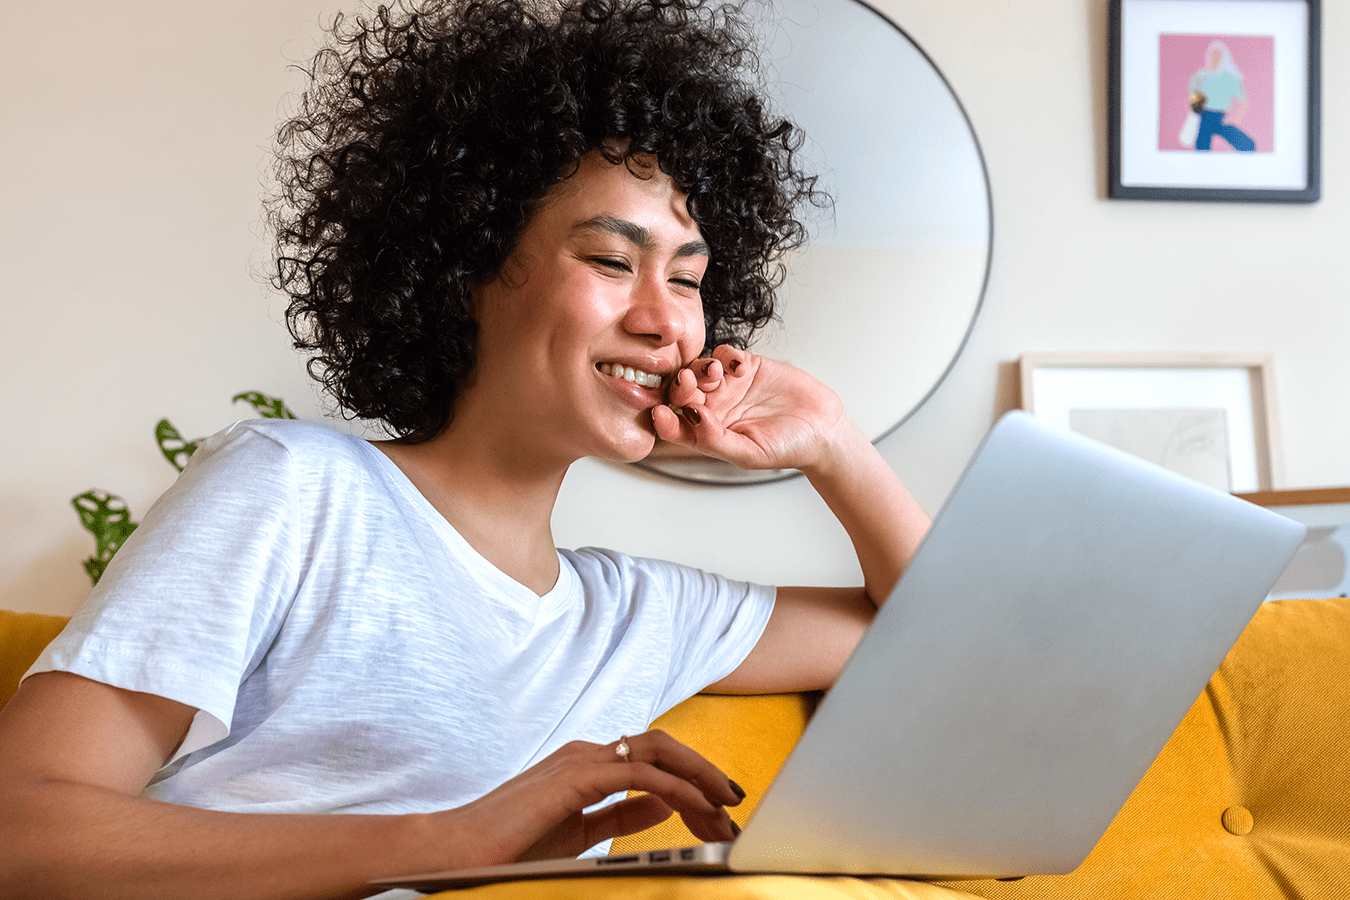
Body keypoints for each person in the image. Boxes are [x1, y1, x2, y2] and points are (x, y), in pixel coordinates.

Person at [0, 0, 930, 897]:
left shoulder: (640, 617)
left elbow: (935, 640)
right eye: (612, 261)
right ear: (465, 270)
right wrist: (452, 842)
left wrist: (833, 444)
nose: (662, 321)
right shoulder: (295, 491)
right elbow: (23, 831)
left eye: (687, 280)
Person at [1187, 40, 1255, 152]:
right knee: (1201, 148)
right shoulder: (1201, 76)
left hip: (1220, 117)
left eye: (1218, 55)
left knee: (1247, 146)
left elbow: (1243, 102)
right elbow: (1194, 96)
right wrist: (1195, 110)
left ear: (1224, 57)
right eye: (1213, 54)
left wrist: (1235, 118)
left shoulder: (1229, 79)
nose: (1215, 58)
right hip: (1204, 116)